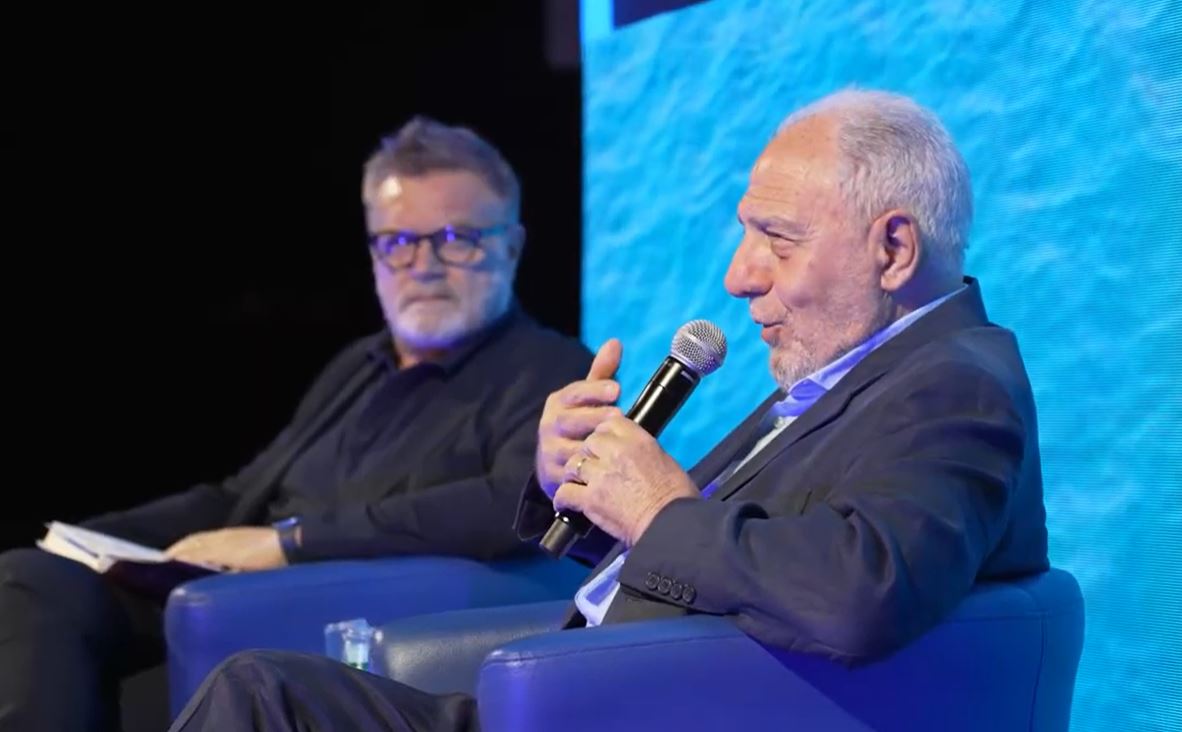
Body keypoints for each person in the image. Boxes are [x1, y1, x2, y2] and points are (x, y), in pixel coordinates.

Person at [168, 88, 1050, 732]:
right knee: (263, 691)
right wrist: (581, 490)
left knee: (261, 701)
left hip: (634, 712)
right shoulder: (853, 373)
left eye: (776, 240)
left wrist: (660, 507)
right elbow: (729, 560)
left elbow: (866, 591)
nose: (739, 276)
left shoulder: (955, 382)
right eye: (746, 235)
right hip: (571, 698)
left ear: (893, 248)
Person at [0, 117, 593, 732]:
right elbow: (239, 494)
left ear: (512, 246)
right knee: (33, 576)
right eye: (398, 242)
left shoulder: (552, 369)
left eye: (455, 238)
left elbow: (508, 502)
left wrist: (289, 542)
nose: (424, 265)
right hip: (223, 588)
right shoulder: (357, 366)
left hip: (327, 606)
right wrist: (87, 539)